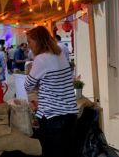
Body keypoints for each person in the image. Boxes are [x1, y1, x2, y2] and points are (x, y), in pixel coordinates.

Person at [24, 26, 78, 157]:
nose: (29, 45)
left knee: (51, 152)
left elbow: (28, 86)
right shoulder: (60, 55)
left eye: (30, 41)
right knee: (66, 151)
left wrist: (37, 82)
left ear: (38, 41)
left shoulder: (41, 59)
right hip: (70, 114)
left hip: (52, 116)